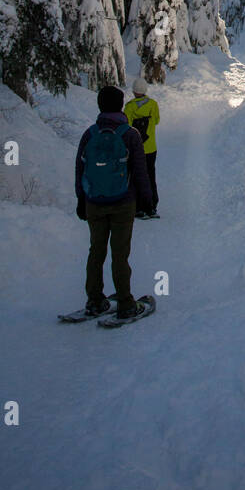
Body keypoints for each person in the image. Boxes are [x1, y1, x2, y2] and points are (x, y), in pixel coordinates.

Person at [75, 86, 153, 320]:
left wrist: (81, 199)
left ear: (99, 106)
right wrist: (146, 200)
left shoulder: (90, 134)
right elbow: (140, 171)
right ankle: (126, 303)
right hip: (123, 202)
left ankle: (95, 301)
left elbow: (80, 169)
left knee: (95, 251)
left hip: (94, 202)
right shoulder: (129, 134)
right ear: (121, 106)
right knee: (120, 254)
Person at [124, 78, 161, 220]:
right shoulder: (153, 104)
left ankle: (139, 207)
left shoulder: (130, 107)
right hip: (151, 147)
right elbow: (156, 120)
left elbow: (126, 126)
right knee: (150, 176)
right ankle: (151, 206)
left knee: (136, 176)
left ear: (134, 91)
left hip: (136, 148)